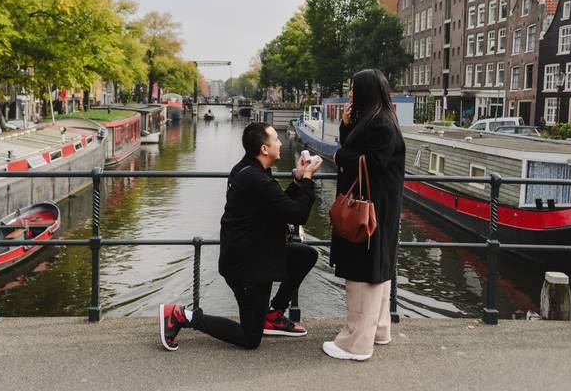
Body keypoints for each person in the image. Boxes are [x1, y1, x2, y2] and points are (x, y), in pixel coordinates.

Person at [159, 122, 322, 351]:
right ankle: (181, 316)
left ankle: (273, 314)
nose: (281, 142)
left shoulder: (251, 170)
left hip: (255, 252)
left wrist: (296, 181)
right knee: (250, 338)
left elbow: (277, 205)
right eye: (276, 139)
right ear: (264, 149)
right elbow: (298, 215)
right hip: (248, 267)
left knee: (305, 255)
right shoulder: (255, 178)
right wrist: (307, 180)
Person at [323, 69, 406, 361]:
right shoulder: (379, 120)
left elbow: (370, 162)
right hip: (380, 209)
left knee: (362, 272)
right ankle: (379, 329)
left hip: (368, 211)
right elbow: (360, 150)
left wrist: (337, 156)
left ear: (367, 92)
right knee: (379, 271)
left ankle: (355, 343)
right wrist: (346, 127)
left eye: (354, 90)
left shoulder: (380, 125)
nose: (350, 95)